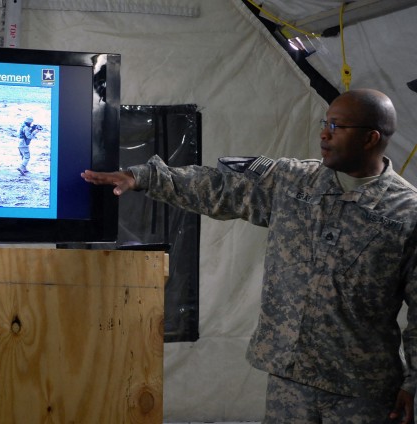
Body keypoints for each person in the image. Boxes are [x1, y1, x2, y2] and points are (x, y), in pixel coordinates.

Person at [81, 88, 417, 423]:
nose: (324, 133)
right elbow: (218, 186)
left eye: (337, 126)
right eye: (324, 122)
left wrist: (413, 383)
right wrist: (141, 177)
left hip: (362, 389)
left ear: (371, 138)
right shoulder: (294, 182)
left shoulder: (406, 212)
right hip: (291, 380)